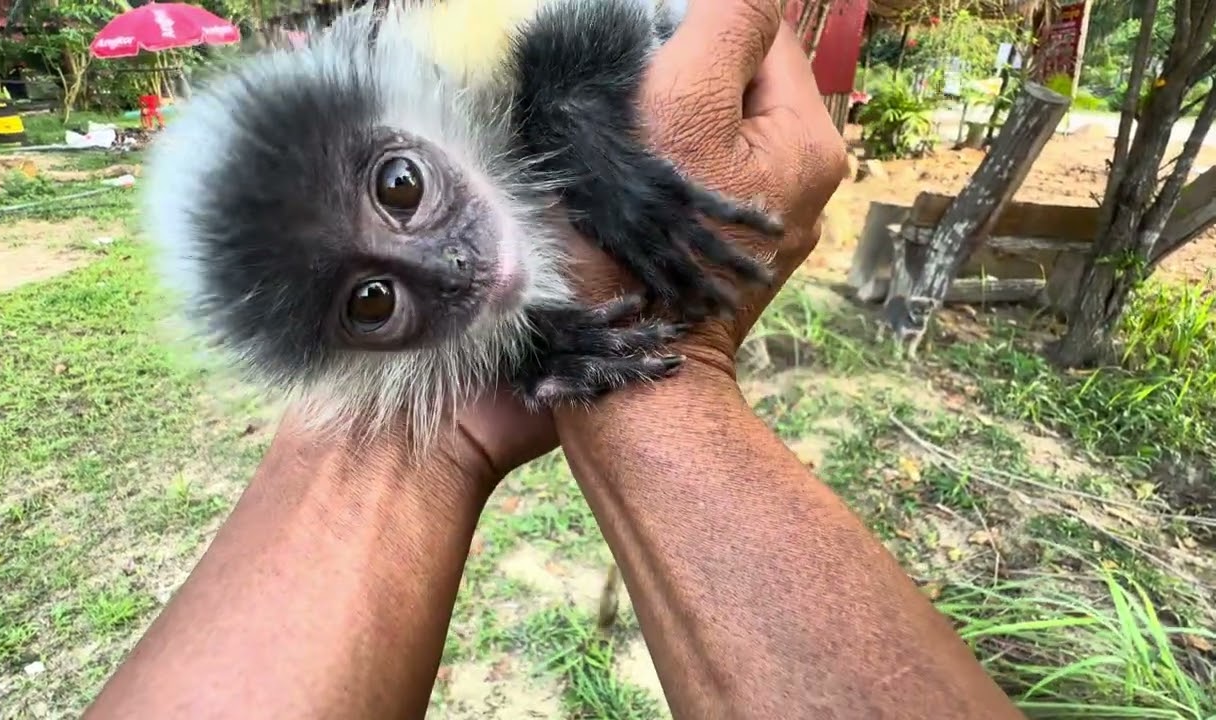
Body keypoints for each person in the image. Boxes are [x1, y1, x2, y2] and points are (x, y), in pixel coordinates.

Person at [84, 2, 1025, 718]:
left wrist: (591, 148)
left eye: (399, 188)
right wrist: (639, 359)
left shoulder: (443, 58)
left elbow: (569, 36)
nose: (445, 262)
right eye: (374, 304)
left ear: (391, 98)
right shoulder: (422, 350)